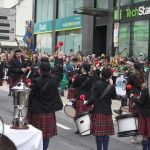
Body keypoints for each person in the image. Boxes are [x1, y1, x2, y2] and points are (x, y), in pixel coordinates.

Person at [26, 51, 63, 150]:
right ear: (50, 71)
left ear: (39, 71)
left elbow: (30, 96)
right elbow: (59, 72)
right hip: (50, 110)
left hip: (38, 110)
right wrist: (59, 59)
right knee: (46, 135)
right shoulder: (54, 79)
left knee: (35, 133)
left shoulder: (36, 81)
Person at [85, 68, 116, 150]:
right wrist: (112, 85)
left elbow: (93, 99)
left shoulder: (96, 84)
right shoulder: (111, 87)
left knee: (99, 134)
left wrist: (87, 103)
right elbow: (114, 97)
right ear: (110, 76)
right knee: (106, 134)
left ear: (101, 75)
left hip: (98, 111)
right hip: (107, 112)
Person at [71, 63, 99, 134]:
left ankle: (80, 129)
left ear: (83, 69)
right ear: (90, 69)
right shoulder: (92, 78)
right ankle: (88, 128)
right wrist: (95, 71)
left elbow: (73, 87)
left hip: (80, 97)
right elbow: (97, 79)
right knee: (87, 114)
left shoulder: (78, 77)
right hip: (89, 97)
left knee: (79, 114)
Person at [130, 83, 150, 150]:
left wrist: (132, 97)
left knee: (145, 135)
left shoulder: (146, 90)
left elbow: (140, 102)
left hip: (146, 114)